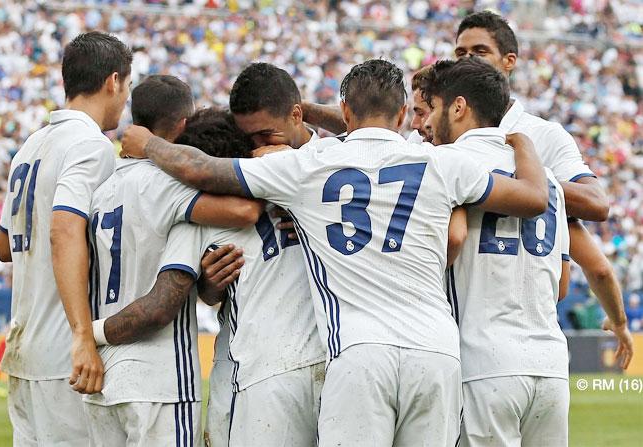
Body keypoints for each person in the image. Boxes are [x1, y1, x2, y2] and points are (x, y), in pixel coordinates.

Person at [121, 58, 550, 446]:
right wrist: (524, 145)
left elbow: (199, 168)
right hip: (436, 351)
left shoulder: (311, 164)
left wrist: (147, 145)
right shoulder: (438, 161)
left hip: (358, 351)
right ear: (403, 115)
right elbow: (533, 198)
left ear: (345, 112)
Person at [82, 75, 262, 446]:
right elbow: (244, 210)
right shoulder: (177, 191)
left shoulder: (101, 188)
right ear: (183, 126)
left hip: (102, 376)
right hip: (159, 379)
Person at [454, 11, 632, 368]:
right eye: (460, 53)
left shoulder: (541, 135)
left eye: (479, 50)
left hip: (480, 334)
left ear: (510, 62)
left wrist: (522, 186)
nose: (468, 59)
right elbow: (597, 267)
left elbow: (597, 203)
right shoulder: (438, 128)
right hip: (518, 343)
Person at [421, 57, 572, 447]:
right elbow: (563, 284)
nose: (424, 123)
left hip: (483, 362)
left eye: (432, 107)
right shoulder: (549, 180)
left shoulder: (443, 162)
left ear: (458, 107)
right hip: (552, 365)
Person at [0, 31, 132, 445]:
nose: (125, 98)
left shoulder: (31, 145)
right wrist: (82, 336)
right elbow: (64, 228)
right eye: (126, 85)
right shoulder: (92, 145)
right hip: (64, 355)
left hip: (25, 349)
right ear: (113, 81)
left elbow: (4, 245)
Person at [175, 105, 325, 447]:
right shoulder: (308, 188)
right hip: (327, 358)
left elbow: (206, 293)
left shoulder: (205, 217)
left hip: (255, 369)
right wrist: (209, 286)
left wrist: (206, 288)